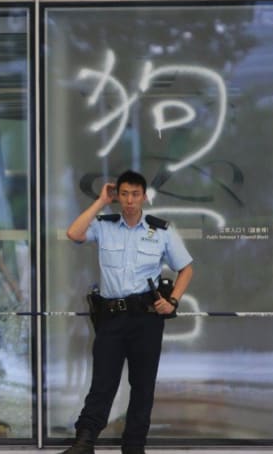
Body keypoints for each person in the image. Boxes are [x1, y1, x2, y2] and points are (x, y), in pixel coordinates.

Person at [61, 170, 193, 454]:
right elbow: (73, 233)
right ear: (117, 196)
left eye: (135, 194)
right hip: (111, 317)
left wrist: (173, 302)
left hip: (146, 317)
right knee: (103, 382)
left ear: (144, 196)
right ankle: (85, 441)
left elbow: (186, 268)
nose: (130, 200)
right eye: (124, 194)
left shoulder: (160, 230)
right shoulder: (104, 225)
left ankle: (134, 446)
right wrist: (100, 202)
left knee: (142, 385)